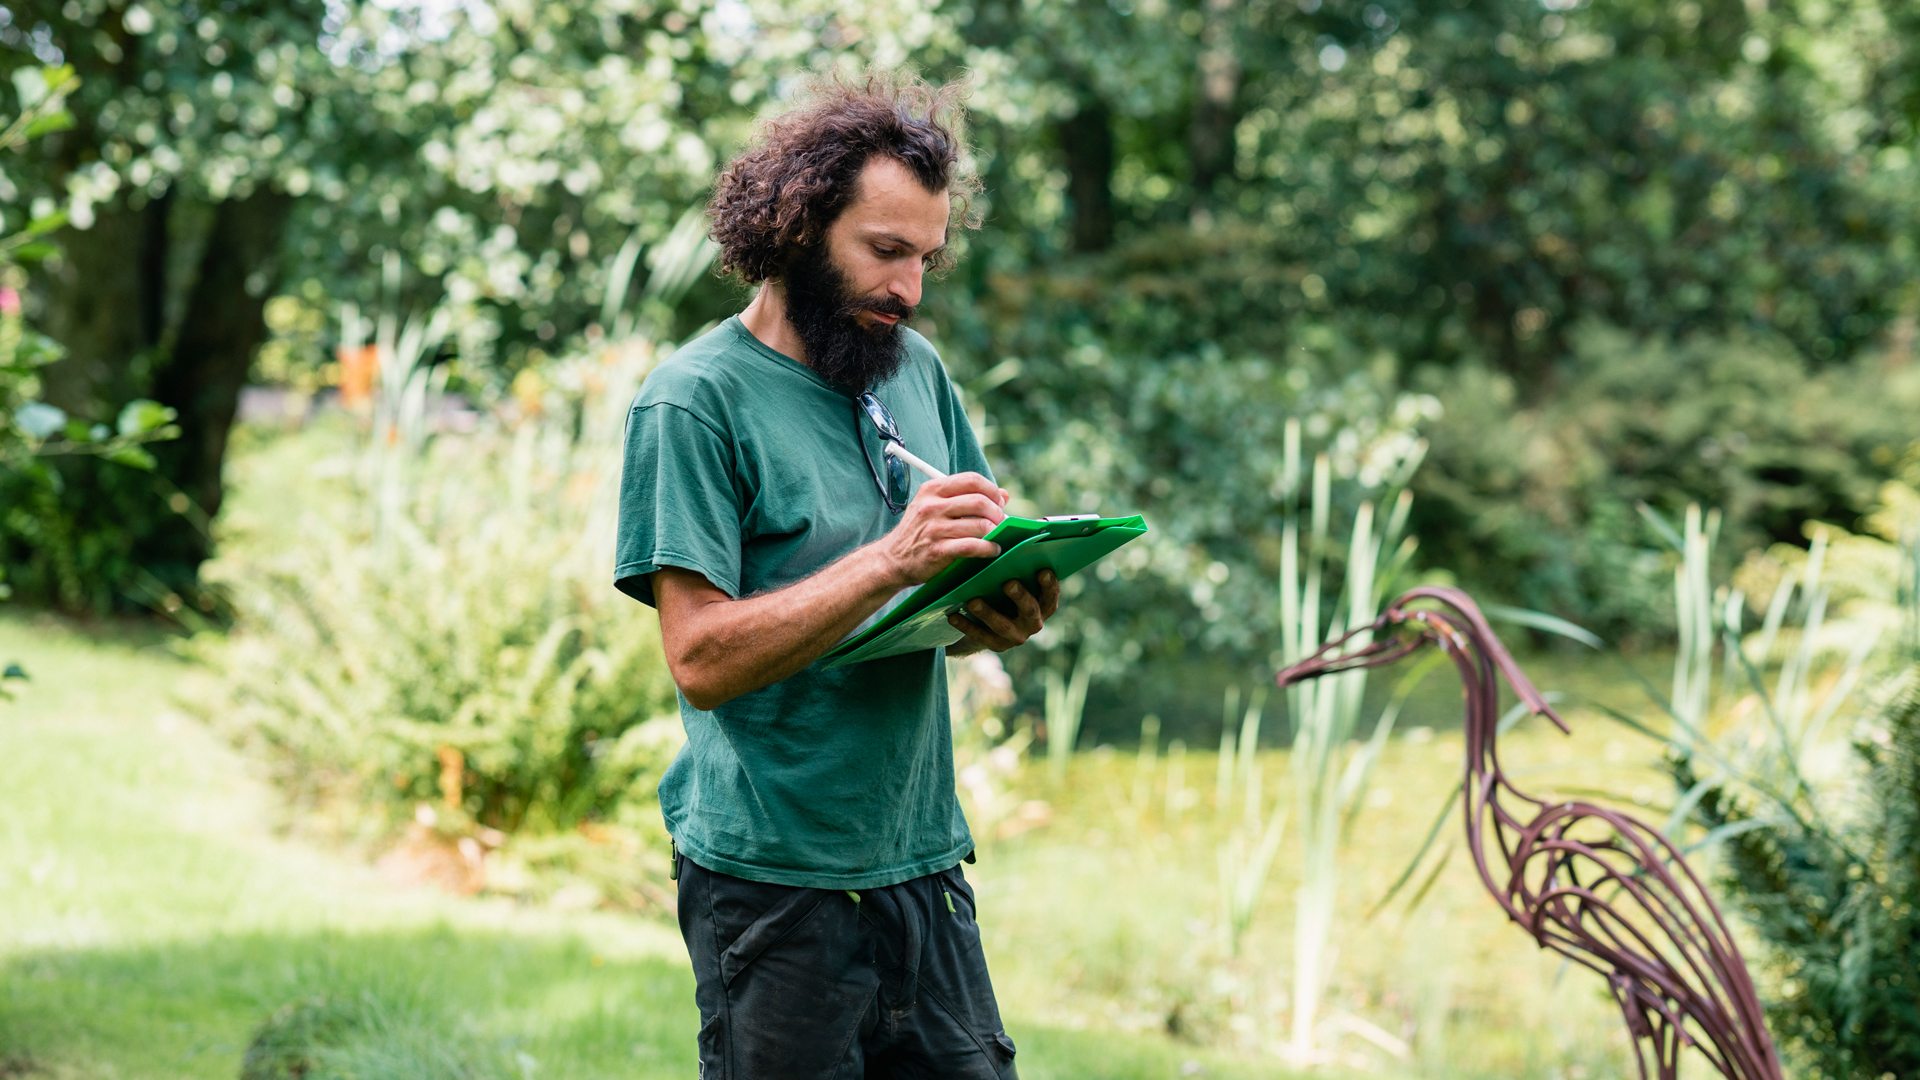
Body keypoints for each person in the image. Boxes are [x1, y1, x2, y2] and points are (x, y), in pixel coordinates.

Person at [614, 71, 1056, 1080]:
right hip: (772, 885)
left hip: (921, 860)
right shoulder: (693, 402)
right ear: (800, 228)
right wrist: (891, 559)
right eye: (885, 251)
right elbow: (700, 660)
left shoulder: (913, 372)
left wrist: (1007, 603)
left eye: (926, 258)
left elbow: (945, 587)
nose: (909, 288)